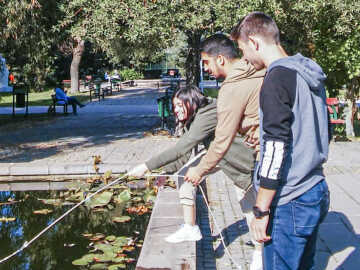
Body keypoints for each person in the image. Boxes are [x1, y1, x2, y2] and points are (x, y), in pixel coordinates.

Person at [231, 12, 330, 270]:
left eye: (242, 49)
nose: (243, 58)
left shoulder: (275, 79)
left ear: (254, 42)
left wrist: (261, 210)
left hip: (289, 199)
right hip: (315, 187)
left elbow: (276, 148)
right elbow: (316, 129)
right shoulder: (307, 71)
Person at [128, 86, 256, 245]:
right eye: (174, 106)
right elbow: (185, 153)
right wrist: (167, 172)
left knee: (248, 202)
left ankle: (260, 249)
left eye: (180, 105)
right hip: (216, 154)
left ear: (191, 101)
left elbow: (181, 148)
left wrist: (146, 166)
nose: (176, 110)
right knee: (185, 175)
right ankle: (190, 228)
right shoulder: (194, 117)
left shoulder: (208, 113)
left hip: (237, 159)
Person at [183, 34, 265, 270]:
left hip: (262, 162)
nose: (206, 69)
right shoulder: (259, 70)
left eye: (206, 63)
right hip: (276, 156)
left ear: (220, 59)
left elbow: (222, 140)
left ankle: (262, 259)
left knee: (261, 215)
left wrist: (200, 170)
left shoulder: (231, 88)